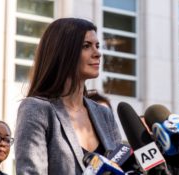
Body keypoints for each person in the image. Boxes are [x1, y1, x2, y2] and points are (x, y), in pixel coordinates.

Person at [14, 18, 122, 175]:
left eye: (97, 46)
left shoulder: (104, 114)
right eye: (86, 46)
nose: (97, 53)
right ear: (63, 52)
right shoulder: (37, 109)